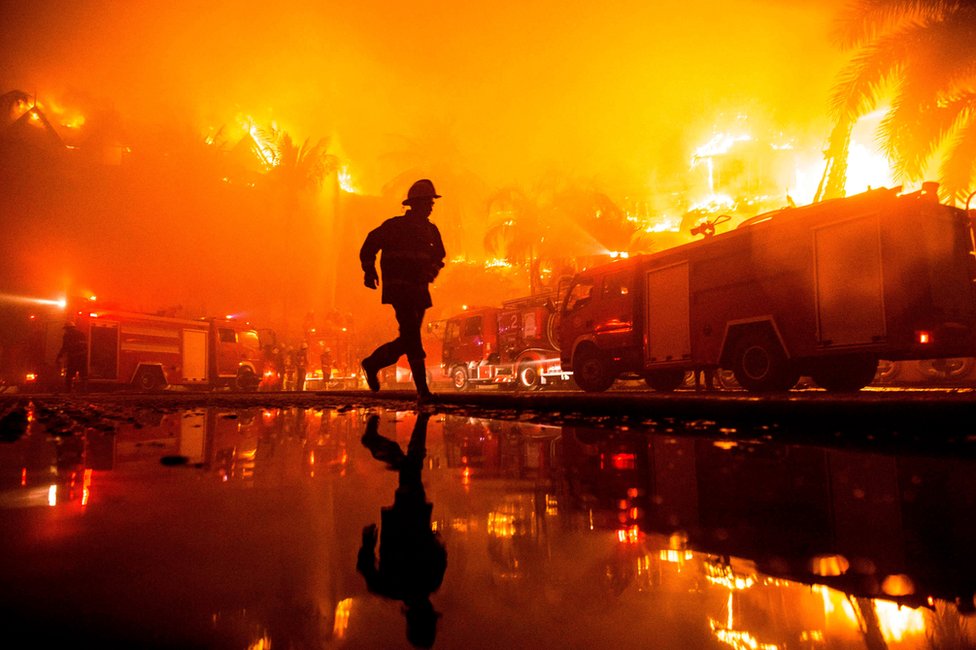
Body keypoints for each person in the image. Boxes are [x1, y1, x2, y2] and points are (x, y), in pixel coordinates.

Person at [357, 412, 445, 648]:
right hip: (400, 519)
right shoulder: (388, 588)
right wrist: (368, 543)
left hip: (414, 514)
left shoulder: (432, 581)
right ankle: (388, 437)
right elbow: (365, 567)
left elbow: (440, 552)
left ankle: (384, 438)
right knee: (411, 465)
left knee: (411, 464)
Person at [359, 179, 446, 403]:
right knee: (413, 337)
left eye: (431, 203)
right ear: (414, 204)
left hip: (419, 291)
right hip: (400, 290)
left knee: (408, 338)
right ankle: (423, 392)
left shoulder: (431, 231)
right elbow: (369, 244)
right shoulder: (393, 226)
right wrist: (369, 271)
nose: (430, 206)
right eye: (427, 202)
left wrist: (431, 273)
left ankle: (372, 363)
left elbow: (440, 256)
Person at [56, 322, 88, 392]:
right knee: (83, 374)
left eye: (66, 329)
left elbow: (65, 347)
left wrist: (59, 356)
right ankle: (84, 390)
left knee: (69, 375)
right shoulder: (81, 334)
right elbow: (85, 346)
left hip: (73, 358)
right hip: (82, 357)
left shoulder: (67, 336)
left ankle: (68, 390)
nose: (66, 331)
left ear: (69, 328)